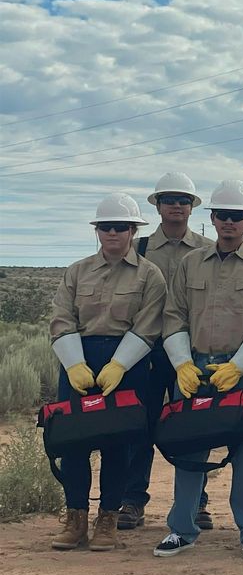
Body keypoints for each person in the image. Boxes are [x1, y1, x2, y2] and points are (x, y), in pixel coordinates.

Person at [154, 179, 243, 561]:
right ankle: (182, 528)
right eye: (223, 215)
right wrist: (181, 364)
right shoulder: (190, 264)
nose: (229, 222)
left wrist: (237, 366)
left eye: (237, 216)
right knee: (190, 449)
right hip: (193, 369)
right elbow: (174, 316)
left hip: (241, 372)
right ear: (212, 218)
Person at [48, 194, 166, 552]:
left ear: (133, 230)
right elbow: (61, 318)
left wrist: (119, 364)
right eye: (105, 226)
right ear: (97, 230)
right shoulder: (77, 271)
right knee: (73, 443)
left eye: (120, 227)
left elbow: (149, 325)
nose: (112, 233)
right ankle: (76, 518)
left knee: (119, 444)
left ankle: (108, 521)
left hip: (126, 364)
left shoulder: (150, 275)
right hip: (78, 361)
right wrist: (73, 365)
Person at [117, 172, 213, 532]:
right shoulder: (137, 248)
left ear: (192, 207)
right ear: (156, 205)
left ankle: (197, 502)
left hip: (193, 352)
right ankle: (132, 500)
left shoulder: (207, 248)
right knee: (140, 425)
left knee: (193, 427)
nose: (176, 205)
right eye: (169, 199)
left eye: (183, 200)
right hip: (146, 350)